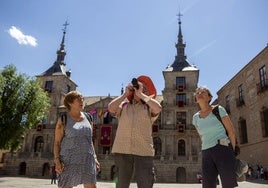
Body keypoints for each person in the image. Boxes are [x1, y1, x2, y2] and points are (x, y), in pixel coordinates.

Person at [108, 75, 162, 188]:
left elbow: (158, 108)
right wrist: (125, 94)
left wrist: (141, 95)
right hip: (122, 150)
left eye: (143, 88)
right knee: (120, 185)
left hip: (144, 152)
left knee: (145, 184)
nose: (138, 89)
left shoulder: (148, 107)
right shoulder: (124, 105)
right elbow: (111, 108)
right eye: (137, 87)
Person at [192, 86, 238, 188]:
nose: (199, 94)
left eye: (203, 92)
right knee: (208, 185)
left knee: (228, 184)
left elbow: (231, 132)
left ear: (209, 97)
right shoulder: (195, 118)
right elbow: (201, 136)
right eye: (198, 93)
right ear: (196, 99)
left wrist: (231, 152)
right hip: (206, 152)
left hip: (223, 148)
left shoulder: (218, 110)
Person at [54, 91, 100, 188]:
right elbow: (57, 142)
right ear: (70, 103)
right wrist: (57, 160)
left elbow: (90, 140)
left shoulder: (89, 117)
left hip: (87, 159)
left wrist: (95, 158)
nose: (82, 101)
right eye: (78, 99)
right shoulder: (63, 119)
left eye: (82, 99)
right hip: (68, 160)